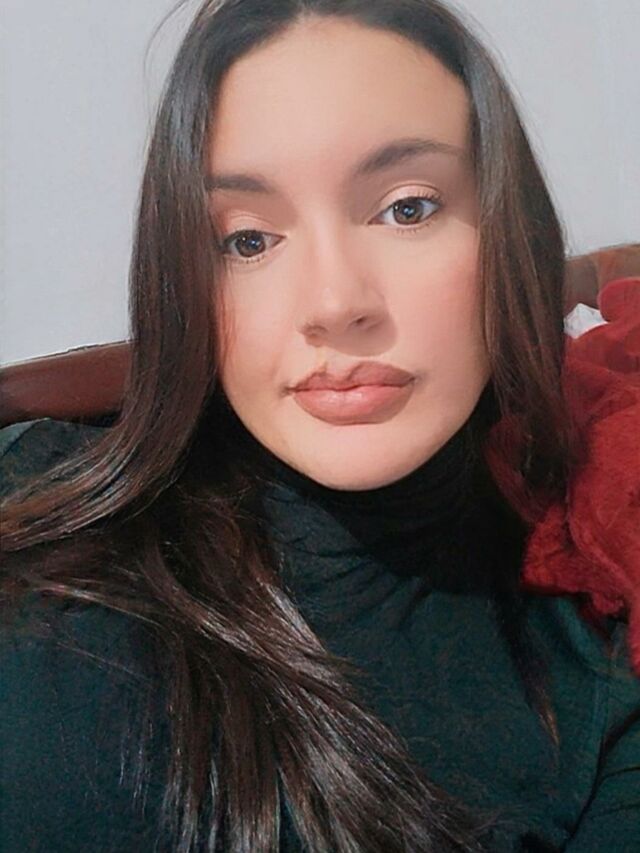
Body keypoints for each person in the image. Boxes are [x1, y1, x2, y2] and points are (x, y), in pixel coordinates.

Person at [1, 1, 639, 851]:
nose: (336, 304)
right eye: (248, 241)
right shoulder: (39, 543)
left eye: (407, 208)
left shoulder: (591, 663)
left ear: (510, 235)